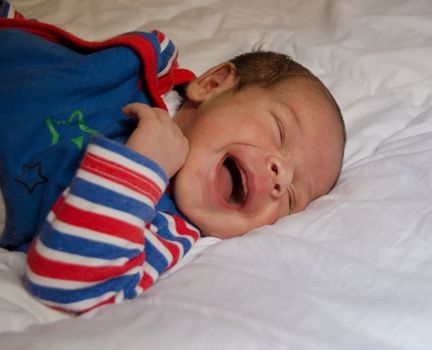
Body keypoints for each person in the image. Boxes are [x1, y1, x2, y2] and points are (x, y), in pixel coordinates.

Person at [0, 2, 345, 313]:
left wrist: (140, 169)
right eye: (280, 131)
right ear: (212, 84)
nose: (281, 175)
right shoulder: (148, 70)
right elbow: (56, 56)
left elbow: (70, 282)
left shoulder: (163, 228)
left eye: (291, 197)